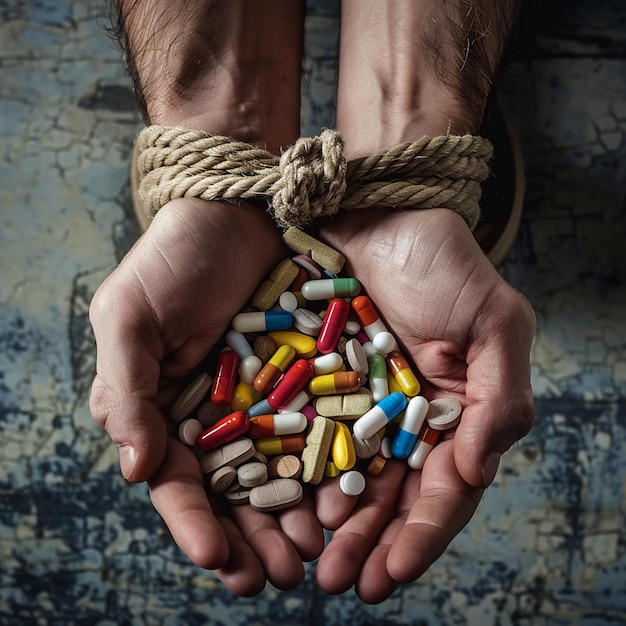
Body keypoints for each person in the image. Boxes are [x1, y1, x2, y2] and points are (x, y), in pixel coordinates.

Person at [90, 0, 536, 604]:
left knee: (404, 102)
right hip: (314, 355)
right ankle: (373, 125)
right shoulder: (314, 377)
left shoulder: (303, 376)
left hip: (307, 358)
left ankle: (399, 119)